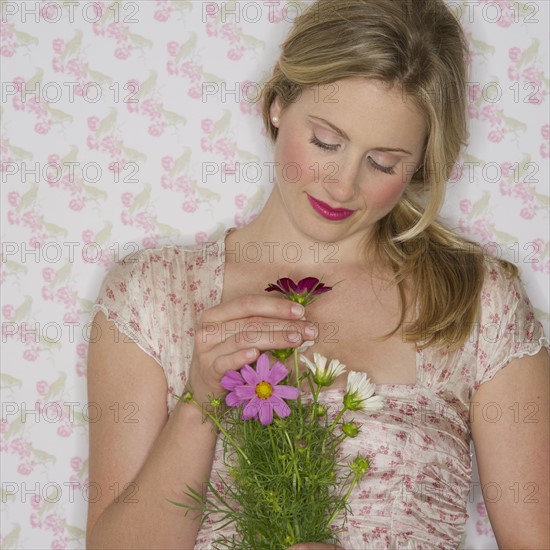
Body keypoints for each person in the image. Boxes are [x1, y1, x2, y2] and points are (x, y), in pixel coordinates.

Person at [85, 0, 549, 548]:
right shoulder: (152, 295)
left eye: (384, 163)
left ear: (422, 161)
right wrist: (201, 403)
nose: (342, 185)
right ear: (279, 102)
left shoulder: (476, 302)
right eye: (326, 142)